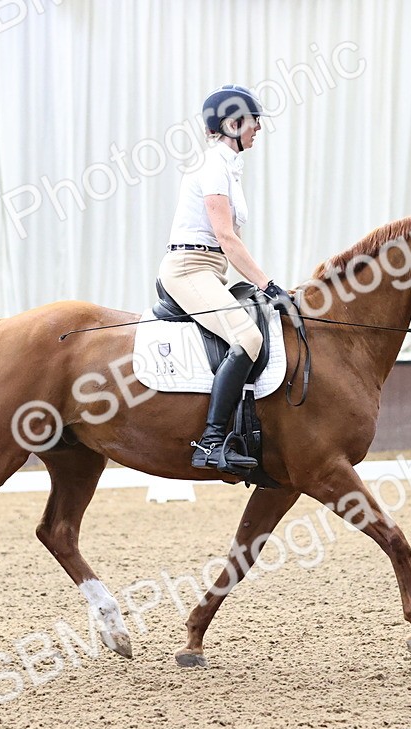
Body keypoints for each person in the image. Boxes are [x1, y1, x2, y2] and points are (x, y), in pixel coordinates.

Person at [158, 84, 289, 475]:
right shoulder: (214, 165)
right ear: (232, 124)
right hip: (189, 269)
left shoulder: (230, 166)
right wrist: (268, 284)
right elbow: (226, 239)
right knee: (248, 337)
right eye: (253, 122)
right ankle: (212, 442)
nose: (258, 129)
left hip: (211, 271)